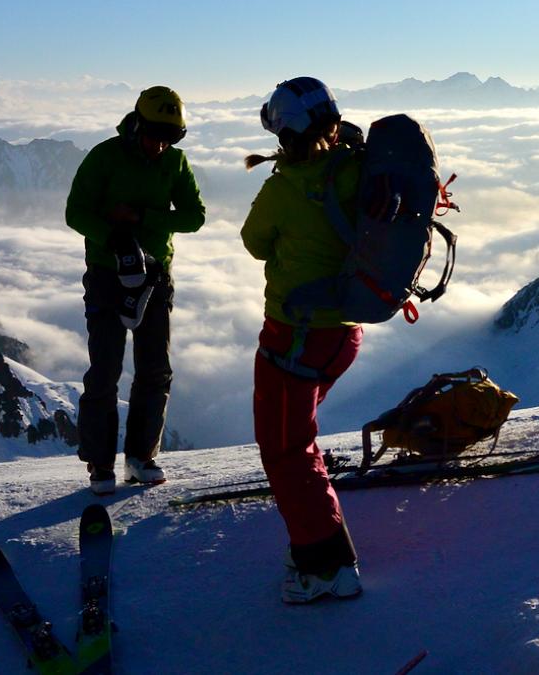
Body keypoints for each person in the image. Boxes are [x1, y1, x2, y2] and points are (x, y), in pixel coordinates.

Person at [240, 76, 364, 604]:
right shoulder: (358, 169)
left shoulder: (285, 186)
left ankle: (325, 568)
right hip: (345, 334)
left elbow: (254, 243)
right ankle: (321, 538)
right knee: (299, 440)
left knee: (286, 449)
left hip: (295, 337)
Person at [65, 86, 206, 495]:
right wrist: (114, 238)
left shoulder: (175, 163)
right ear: (137, 125)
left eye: (171, 137)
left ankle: (141, 457)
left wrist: (141, 218)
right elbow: (76, 212)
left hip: (154, 277)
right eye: (155, 134)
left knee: (154, 369)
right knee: (106, 369)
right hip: (108, 275)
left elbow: (195, 217)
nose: (161, 144)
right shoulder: (105, 157)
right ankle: (100, 464)